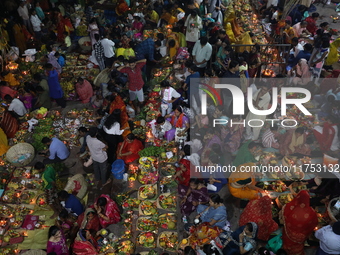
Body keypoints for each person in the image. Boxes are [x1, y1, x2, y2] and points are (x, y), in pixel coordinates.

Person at [281, 190, 318, 255]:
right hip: (300, 236)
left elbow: (283, 216)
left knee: (287, 242)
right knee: (297, 245)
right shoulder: (311, 212)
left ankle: (286, 249)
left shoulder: (289, 206)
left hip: (288, 233)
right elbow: (314, 223)